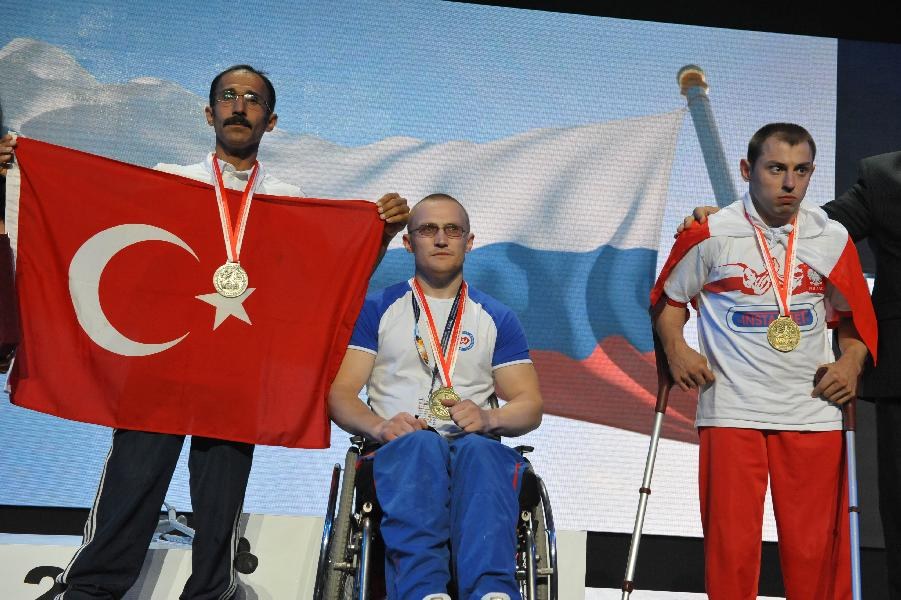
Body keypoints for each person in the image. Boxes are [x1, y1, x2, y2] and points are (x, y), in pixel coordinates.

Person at [0, 64, 409, 600]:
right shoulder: (169, 177)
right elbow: (88, 224)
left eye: (253, 99)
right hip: (160, 362)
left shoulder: (288, 197)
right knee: (132, 482)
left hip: (237, 371)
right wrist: (19, 174)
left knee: (221, 497)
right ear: (208, 111)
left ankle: (212, 589)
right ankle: (91, 588)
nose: (240, 106)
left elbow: (326, 282)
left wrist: (378, 235)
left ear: (272, 120)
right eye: (229, 96)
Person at [652, 123, 877, 599]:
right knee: (731, 554)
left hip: (813, 411)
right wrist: (677, 349)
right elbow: (669, 301)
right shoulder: (710, 231)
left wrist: (850, 363)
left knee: (818, 557)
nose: (789, 183)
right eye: (776, 169)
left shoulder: (831, 237)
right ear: (746, 170)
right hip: (732, 410)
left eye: (801, 171)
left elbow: (856, 320)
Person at [327, 193, 543, 600]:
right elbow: (340, 394)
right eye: (428, 230)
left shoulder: (495, 316)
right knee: (421, 445)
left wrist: (491, 418)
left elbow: (529, 404)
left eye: (452, 231)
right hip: (399, 451)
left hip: (474, 451)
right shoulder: (379, 308)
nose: (441, 239)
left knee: (482, 452)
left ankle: (492, 593)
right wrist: (380, 425)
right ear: (408, 243)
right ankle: (423, 592)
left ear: (469, 241)